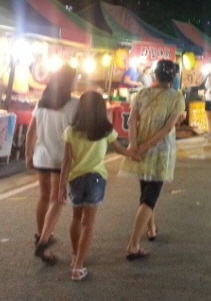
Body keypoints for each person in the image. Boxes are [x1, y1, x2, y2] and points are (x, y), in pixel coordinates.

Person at [57, 91, 135, 280]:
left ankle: (75, 256)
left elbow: (66, 160)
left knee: (76, 218)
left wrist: (61, 186)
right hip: (96, 179)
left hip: (76, 178)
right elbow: (119, 149)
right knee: (88, 225)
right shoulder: (105, 130)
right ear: (101, 110)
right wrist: (134, 154)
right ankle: (78, 266)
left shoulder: (71, 131)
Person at [119, 59, 185, 260]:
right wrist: (143, 147)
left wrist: (135, 146)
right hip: (160, 152)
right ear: (172, 77)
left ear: (154, 75)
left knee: (145, 192)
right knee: (150, 197)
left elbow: (132, 121)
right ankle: (133, 244)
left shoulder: (142, 94)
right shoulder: (176, 97)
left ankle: (151, 229)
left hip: (140, 148)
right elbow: (167, 128)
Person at [25, 65, 79, 263]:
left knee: (44, 196)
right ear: (69, 82)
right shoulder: (74, 104)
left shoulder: (42, 103)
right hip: (60, 158)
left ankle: (42, 233)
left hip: (41, 156)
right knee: (58, 199)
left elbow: (31, 131)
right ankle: (43, 242)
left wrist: (28, 154)